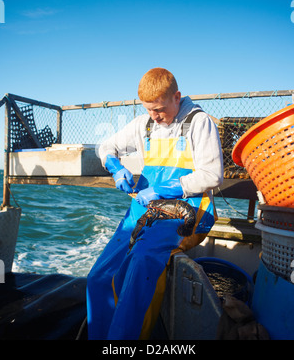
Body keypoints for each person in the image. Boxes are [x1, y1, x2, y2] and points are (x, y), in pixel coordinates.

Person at [86, 68, 223, 340]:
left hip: (188, 211)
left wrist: (163, 189)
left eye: (159, 109)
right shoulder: (143, 124)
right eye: (149, 110)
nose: (154, 116)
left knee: (141, 262)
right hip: (145, 210)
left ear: (177, 97)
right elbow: (106, 148)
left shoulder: (199, 122)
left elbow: (212, 174)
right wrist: (115, 167)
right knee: (99, 278)